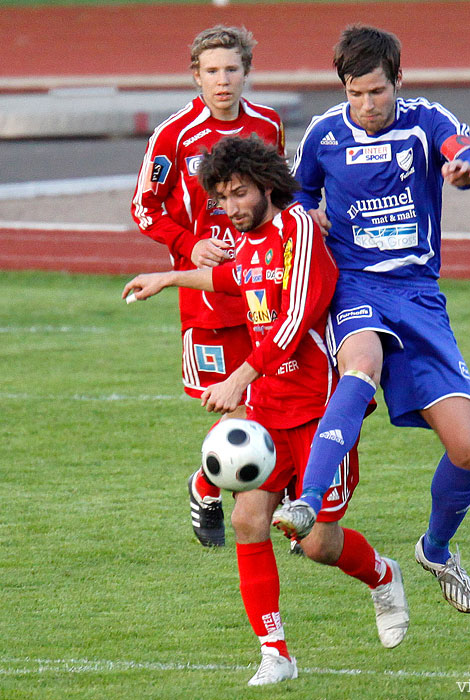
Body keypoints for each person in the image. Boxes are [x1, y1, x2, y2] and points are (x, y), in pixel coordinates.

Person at [123, 136, 410, 686]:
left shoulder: (298, 230)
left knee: (320, 544)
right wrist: (169, 277)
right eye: (223, 197)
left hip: (321, 415)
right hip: (267, 415)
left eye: (240, 194)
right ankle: (275, 653)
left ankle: (381, 575)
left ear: (267, 186)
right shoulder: (248, 242)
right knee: (248, 520)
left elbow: (298, 315)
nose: (230, 207)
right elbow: (231, 279)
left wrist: (239, 377)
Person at [273, 25, 470, 614]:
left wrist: (466, 170)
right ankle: (308, 501)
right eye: (355, 94)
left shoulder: (425, 121)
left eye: (376, 91)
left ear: (398, 80)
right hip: (355, 287)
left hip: (419, 295)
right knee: (362, 361)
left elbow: (469, 154)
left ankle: (436, 550)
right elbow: (295, 193)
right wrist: (305, 214)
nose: (366, 105)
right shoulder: (323, 132)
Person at [131, 26, 285, 547]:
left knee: (275, 395)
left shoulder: (267, 124)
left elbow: (280, 195)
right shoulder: (174, 135)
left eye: (232, 69)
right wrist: (187, 243)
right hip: (205, 296)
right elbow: (143, 206)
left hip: (265, 284)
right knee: (233, 406)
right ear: (195, 75)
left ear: (247, 72)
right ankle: (207, 484)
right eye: (212, 71)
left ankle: (271, 504)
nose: (223, 80)